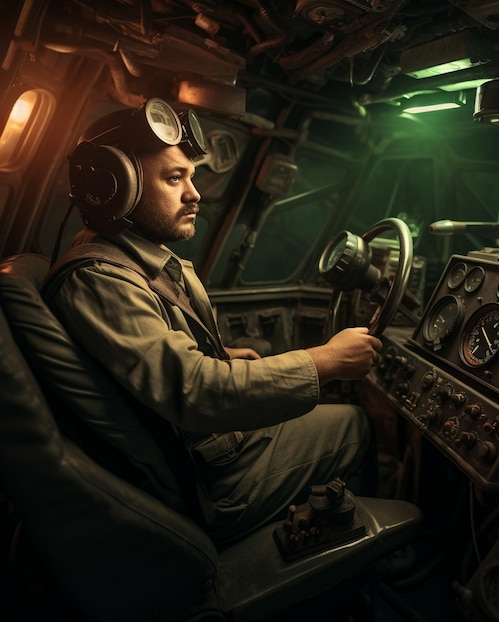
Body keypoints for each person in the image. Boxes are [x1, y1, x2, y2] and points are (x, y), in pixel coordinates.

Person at [44, 98, 383, 546]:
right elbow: (197, 390)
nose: (195, 193)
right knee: (354, 426)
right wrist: (325, 361)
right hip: (206, 485)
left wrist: (221, 356)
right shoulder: (99, 279)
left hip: (202, 450)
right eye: (173, 178)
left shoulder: (142, 266)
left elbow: (166, 367)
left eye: (192, 176)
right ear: (115, 187)